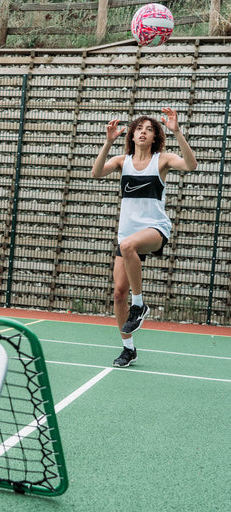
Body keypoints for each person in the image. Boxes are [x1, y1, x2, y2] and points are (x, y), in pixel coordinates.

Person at [91, 108, 197, 367]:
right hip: (127, 233)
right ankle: (128, 348)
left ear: (155, 138)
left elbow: (191, 165)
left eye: (150, 129)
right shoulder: (121, 161)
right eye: (140, 128)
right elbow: (95, 173)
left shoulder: (162, 161)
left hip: (155, 228)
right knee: (118, 293)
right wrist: (108, 142)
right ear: (132, 134)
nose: (143, 132)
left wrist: (177, 131)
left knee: (128, 246)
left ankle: (139, 305)